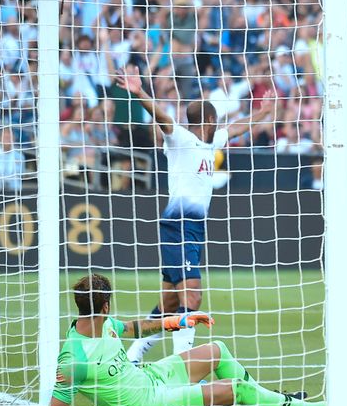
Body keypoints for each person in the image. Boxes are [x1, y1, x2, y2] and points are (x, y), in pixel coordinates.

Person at [114, 65, 274, 362]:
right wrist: (139, 93)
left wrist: (263, 114)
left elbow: (238, 126)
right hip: (179, 225)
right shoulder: (181, 139)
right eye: (218, 119)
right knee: (193, 296)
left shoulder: (211, 141)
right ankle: (183, 369)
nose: (221, 124)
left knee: (169, 303)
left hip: (194, 228)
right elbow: (163, 118)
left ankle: (131, 358)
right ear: (210, 119)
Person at [44, 274, 325, 406]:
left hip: (151, 378)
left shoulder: (104, 324)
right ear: (105, 305)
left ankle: (272, 399)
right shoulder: (74, 358)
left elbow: (134, 327)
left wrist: (176, 321)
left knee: (217, 349)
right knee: (234, 388)